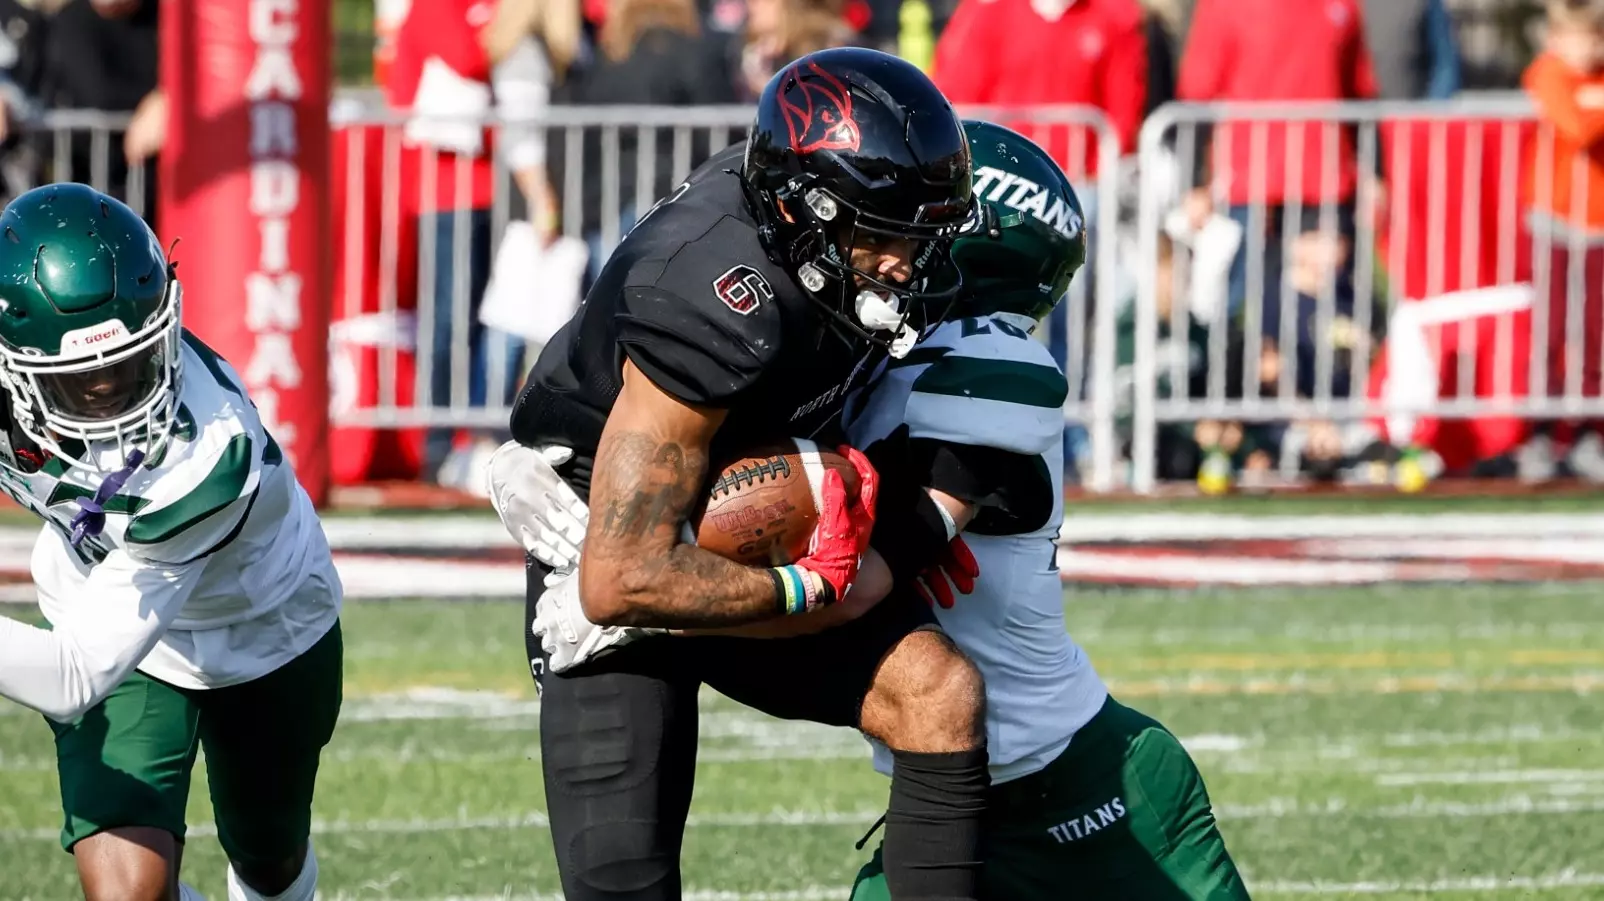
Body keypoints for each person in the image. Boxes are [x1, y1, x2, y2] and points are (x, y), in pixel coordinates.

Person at [497, 47, 991, 901]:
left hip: (765, 490)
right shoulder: (712, 300)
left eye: (922, 236)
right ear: (809, 215)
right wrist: (812, 586)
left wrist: (918, 516)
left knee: (939, 693)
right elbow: (620, 581)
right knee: (621, 879)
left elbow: (994, 399)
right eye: (886, 238)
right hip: (607, 524)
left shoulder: (834, 232)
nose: (909, 266)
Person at [843, 121, 1250, 900]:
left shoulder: (992, 359)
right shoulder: (885, 363)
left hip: (1099, 797)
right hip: (953, 794)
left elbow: (858, 567)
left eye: (919, 218)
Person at [0, 184, 342, 901]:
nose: (113, 390)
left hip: (261, 624)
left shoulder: (209, 452)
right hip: (103, 599)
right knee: (128, 892)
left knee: (268, 858)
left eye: (128, 361)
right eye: (79, 381)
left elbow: (70, 675)